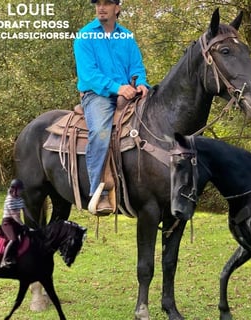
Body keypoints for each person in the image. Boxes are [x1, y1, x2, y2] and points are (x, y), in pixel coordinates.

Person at [73, 0, 149, 215]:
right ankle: (100, 191)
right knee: (101, 131)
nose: (101, 8)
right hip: (97, 95)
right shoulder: (84, 36)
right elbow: (88, 74)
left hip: (130, 93)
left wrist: (141, 83)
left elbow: (137, 66)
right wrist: (117, 88)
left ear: (117, 8)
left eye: (107, 3)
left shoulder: (126, 36)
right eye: (98, 3)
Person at [0, 179, 31, 268]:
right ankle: (4, 260)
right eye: (20, 190)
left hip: (16, 222)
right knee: (13, 239)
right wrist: (23, 224)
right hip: (7, 223)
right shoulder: (9, 200)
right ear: (14, 189)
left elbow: (26, 211)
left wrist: (33, 221)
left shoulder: (20, 199)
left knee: (27, 235)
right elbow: (14, 215)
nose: (22, 191)